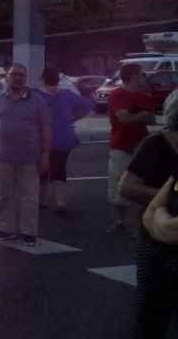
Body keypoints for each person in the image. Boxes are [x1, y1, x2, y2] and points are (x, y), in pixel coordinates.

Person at [119, 92, 178, 338]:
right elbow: (126, 187)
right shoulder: (155, 144)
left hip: (164, 228)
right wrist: (166, 197)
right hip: (155, 242)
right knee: (151, 314)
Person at [0, 63, 51, 246]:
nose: (17, 78)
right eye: (14, 74)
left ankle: (28, 232)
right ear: (7, 77)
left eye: (21, 75)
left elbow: (46, 127)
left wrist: (45, 154)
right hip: (1, 157)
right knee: (5, 195)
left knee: (29, 196)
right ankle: (6, 229)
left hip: (30, 157)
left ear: (26, 77)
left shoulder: (37, 100)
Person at [107, 63, 156, 235]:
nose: (143, 76)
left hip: (141, 147)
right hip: (120, 146)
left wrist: (138, 116)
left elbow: (152, 119)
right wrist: (141, 115)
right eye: (141, 74)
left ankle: (137, 225)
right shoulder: (116, 94)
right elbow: (124, 118)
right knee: (118, 187)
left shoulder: (144, 95)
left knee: (139, 187)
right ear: (133, 76)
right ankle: (120, 222)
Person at [39, 66, 94, 213]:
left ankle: (42, 200)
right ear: (58, 80)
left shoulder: (38, 96)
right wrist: (73, 117)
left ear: (42, 80)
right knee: (60, 169)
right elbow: (88, 105)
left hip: (43, 139)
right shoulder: (67, 94)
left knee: (43, 170)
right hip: (64, 137)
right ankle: (60, 202)